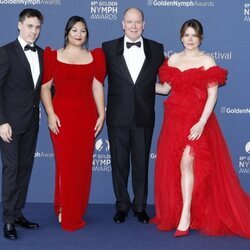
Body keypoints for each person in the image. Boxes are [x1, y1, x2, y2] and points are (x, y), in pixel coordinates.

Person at [152, 19, 250, 238]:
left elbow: (212, 95)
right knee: (178, 165)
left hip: (197, 121)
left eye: (194, 35)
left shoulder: (207, 60)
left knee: (187, 162)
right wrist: (139, 83)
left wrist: (201, 122)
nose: (189, 39)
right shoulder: (174, 59)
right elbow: (165, 88)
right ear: (181, 37)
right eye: (186, 35)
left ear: (200, 38)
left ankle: (185, 216)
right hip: (175, 120)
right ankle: (186, 211)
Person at [41, 16, 106, 232]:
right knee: (66, 165)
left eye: (83, 31)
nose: (79, 34)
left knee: (82, 166)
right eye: (75, 30)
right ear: (67, 32)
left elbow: (97, 87)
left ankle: (72, 208)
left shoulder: (94, 56)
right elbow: (45, 88)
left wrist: (101, 114)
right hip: (61, 117)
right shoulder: (54, 56)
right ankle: (66, 212)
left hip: (86, 116)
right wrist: (50, 114)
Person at [102, 7, 165, 224]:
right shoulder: (108, 48)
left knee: (141, 163)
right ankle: (122, 205)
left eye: (138, 22)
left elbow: (166, 82)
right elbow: (94, 81)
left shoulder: (157, 49)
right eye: (129, 22)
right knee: (119, 164)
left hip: (144, 115)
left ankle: (140, 206)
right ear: (122, 24)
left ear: (144, 24)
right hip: (117, 116)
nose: (134, 26)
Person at [0, 8, 44, 240]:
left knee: (24, 171)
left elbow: (45, 90)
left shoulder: (42, 54)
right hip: (10, 126)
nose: (33, 32)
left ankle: (17, 213)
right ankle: (7, 221)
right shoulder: (6, 52)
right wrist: (2, 122)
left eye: (37, 27)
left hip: (31, 124)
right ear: (19, 25)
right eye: (29, 26)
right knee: (11, 171)